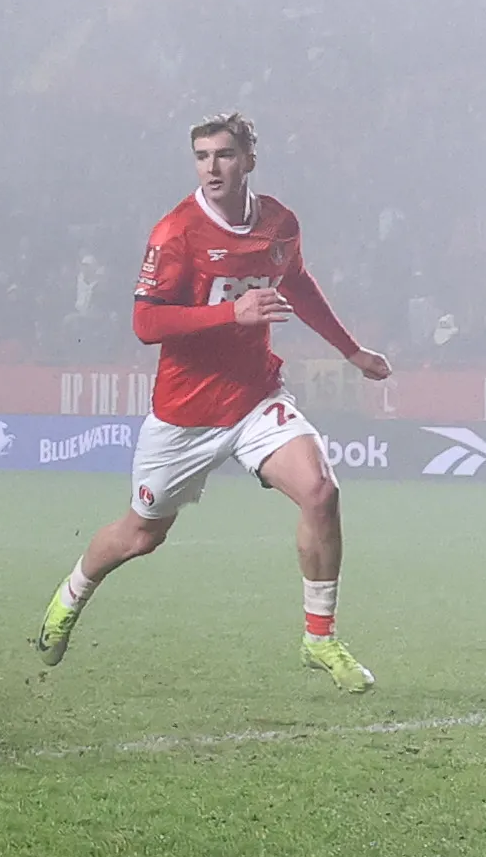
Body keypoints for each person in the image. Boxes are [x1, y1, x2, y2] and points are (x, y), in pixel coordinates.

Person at [34, 113, 390, 691]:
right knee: (141, 535)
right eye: (202, 157)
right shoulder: (175, 233)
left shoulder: (279, 222)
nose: (211, 167)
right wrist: (233, 312)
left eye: (224, 155)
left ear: (249, 159)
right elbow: (146, 322)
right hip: (185, 414)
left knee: (321, 491)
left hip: (254, 397)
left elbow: (296, 283)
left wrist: (352, 351)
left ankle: (319, 640)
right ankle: (70, 595)